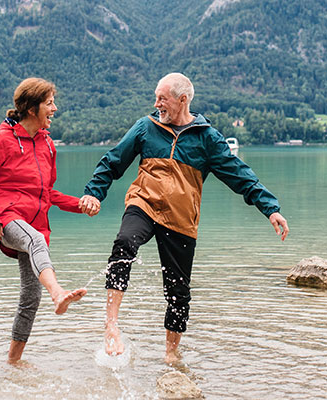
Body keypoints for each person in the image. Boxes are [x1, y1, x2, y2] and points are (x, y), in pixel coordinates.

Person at [78, 73, 289, 365]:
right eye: (156, 98)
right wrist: (94, 193)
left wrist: (270, 208)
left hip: (180, 219)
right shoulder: (146, 127)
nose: (156, 104)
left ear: (182, 100)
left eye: (162, 99)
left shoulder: (207, 139)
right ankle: (111, 324)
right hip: (144, 204)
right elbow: (113, 160)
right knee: (124, 242)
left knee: (178, 290)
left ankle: (171, 354)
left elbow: (239, 174)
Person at [0, 77, 95, 364]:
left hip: (34, 223)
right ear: (31, 108)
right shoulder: (1, 140)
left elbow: (47, 193)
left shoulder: (48, 144)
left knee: (29, 298)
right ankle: (58, 292)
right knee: (36, 241)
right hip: (6, 219)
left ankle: (12, 363)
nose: (55, 108)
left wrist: (80, 205)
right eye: (49, 103)